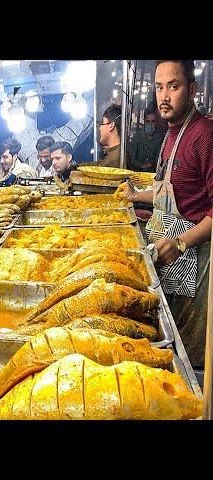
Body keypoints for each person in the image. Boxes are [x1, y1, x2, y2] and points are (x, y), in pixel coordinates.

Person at [118, 60, 213, 369]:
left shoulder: (204, 136)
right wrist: (135, 196)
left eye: (174, 86)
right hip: (168, 262)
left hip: (192, 266)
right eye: (160, 87)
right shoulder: (172, 133)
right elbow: (170, 190)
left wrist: (182, 243)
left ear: (192, 90)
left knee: (187, 357)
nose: (165, 96)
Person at [128, 107, 163, 172]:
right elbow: (131, 158)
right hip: (137, 173)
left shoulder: (160, 138)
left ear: (156, 122)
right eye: (148, 121)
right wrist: (141, 166)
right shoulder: (137, 137)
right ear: (144, 121)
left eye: (153, 122)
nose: (150, 124)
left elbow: (159, 160)